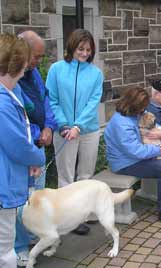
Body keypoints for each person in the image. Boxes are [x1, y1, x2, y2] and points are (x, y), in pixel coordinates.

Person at [46, 29, 104, 235]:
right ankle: (66, 219)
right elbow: (51, 100)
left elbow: (92, 103)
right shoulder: (56, 69)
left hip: (88, 130)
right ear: (72, 47)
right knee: (66, 175)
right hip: (63, 131)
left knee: (86, 175)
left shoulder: (96, 74)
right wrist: (63, 125)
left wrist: (78, 126)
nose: (84, 53)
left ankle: (84, 213)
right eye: (81, 48)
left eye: (88, 50)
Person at [104, 87, 161, 222]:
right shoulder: (122, 124)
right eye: (142, 106)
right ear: (134, 105)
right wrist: (159, 150)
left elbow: (146, 121)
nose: (144, 109)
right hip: (124, 164)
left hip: (131, 159)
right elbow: (136, 151)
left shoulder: (131, 114)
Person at [0, 33, 45, 268]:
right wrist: (36, 156)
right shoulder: (2, 102)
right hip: (2, 189)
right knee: (4, 251)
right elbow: (17, 145)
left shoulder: (7, 95)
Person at [13, 31, 58, 267]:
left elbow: (45, 101)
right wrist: (35, 134)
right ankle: (19, 247)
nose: (38, 62)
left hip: (39, 144)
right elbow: (19, 116)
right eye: (37, 57)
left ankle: (33, 235)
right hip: (25, 148)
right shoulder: (11, 77)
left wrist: (49, 127)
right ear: (23, 51)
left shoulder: (33, 73)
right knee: (21, 201)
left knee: (35, 198)